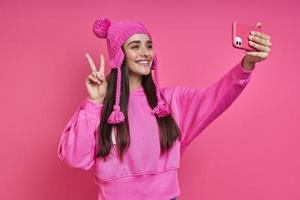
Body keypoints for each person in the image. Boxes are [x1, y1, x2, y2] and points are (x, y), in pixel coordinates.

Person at [57, 17, 272, 200]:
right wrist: (95, 103)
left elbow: (215, 97)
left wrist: (246, 66)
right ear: (119, 55)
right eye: (135, 46)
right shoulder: (98, 105)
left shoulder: (170, 102)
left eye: (149, 45)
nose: (145, 52)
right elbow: (75, 159)